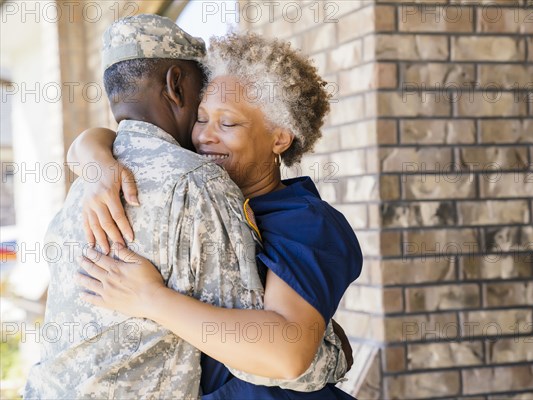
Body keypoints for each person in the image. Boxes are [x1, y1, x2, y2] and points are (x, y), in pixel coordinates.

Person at [24, 15, 348, 399]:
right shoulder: (196, 188)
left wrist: (151, 299)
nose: (205, 136)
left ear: (280, 137)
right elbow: (119, 137)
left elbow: (287, 353)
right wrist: (94, 161)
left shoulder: (305, 221)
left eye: (228, 124)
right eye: (200, 118)